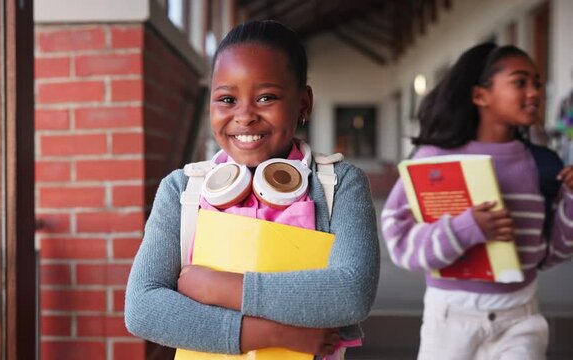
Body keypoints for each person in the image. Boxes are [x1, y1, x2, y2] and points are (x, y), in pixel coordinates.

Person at [125, 20, 379, 358]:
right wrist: (275, 334)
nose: (244, 116)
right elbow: (143, 309)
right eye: (227, 99)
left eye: (266, 97)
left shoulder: (339, 184)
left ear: (303, 103)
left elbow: (351, 293)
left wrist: (218, 287)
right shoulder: (181, 190)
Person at [381, 42, 573, 360]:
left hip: (520, 319)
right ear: (480, 95)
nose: (534, 92)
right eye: (520, 82)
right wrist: (465, 229)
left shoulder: (543, 164)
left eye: (537, 83)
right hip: (449, 321)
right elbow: (398, 241)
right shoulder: (433, 160)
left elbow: (550, 253)